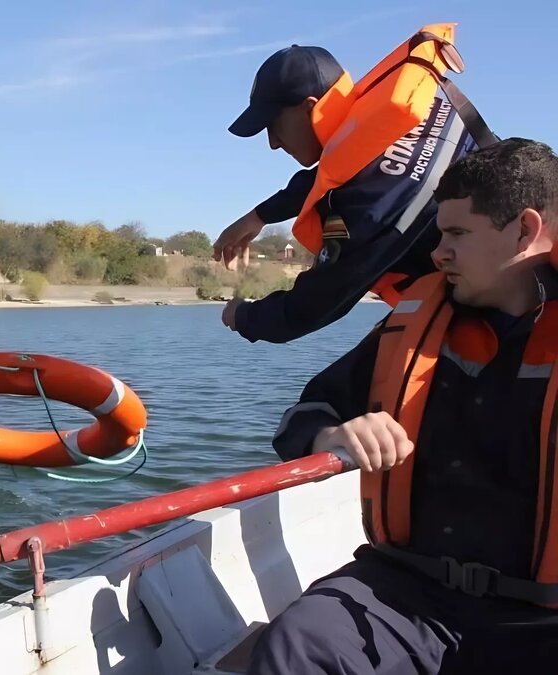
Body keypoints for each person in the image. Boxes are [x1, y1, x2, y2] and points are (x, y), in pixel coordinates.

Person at [248, 138, 558, 673]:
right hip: (406, 591)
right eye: (440, 234)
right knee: (296, 645)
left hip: (544, 616)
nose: (438, 253)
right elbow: (305, 414)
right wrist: (330, 436)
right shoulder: (419, 319)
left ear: (526, 232)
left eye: (457, 234)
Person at [214, 27, 495, 344]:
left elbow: (308, 309)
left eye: (274, 126)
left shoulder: (373, 203)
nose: (273, 144)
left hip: (516, 318)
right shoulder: (417, 113)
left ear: (309, 107)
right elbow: (342, 169)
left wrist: (240, 315)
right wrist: (261, 215)